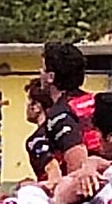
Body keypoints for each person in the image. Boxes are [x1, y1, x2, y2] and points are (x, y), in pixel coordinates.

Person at [40, 43, 102, 174]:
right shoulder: (96, 100)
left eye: (43, 69)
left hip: (93, 183)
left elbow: (77, 165)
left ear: (51, 77)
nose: (40, 72)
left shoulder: (59, 114)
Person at [24, 79, 59, 183]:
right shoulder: (62, 131)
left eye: (29, 102)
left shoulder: (36, 140)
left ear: (36, 107)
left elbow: (52, 169)